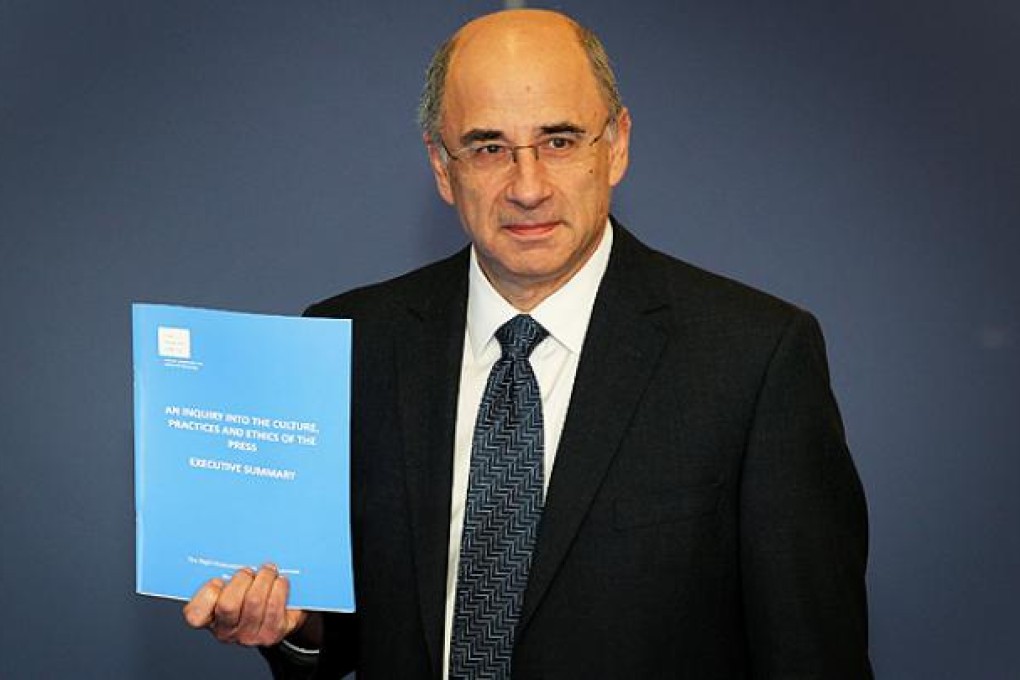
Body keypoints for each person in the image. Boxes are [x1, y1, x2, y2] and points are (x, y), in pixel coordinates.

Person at [184, 8, 873, 679]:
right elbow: (351, 630)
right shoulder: (351, 342)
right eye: (488, 148)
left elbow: (813, 654)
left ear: (618, 144)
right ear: (441, 166)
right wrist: (296, 628)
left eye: (560, 140)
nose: (528, 187)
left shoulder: (753, 357)